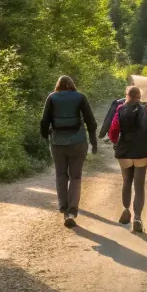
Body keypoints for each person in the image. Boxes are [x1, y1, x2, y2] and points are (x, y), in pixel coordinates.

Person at [99, 84, 147, 233]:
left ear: (127, 95)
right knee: (139, 186)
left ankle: (126, 211)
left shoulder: (120, 109)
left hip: (125, 152)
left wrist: (117, 143)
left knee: (127, 183)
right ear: (139, 97)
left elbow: (113, 131)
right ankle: (138, 218)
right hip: (142, 152)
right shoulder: (146, 111)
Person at [40, 74, 97, 227]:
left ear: (58, 85)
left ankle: (63, 206)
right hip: (78, 142)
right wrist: (93, 141)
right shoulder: (80, 97)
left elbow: (44, 121)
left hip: (58, 143)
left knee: (60, 174)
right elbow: (90, 121)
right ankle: (72, 210)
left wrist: (46, 138)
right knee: (76, 176)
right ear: (72, 85)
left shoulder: (52, 97)